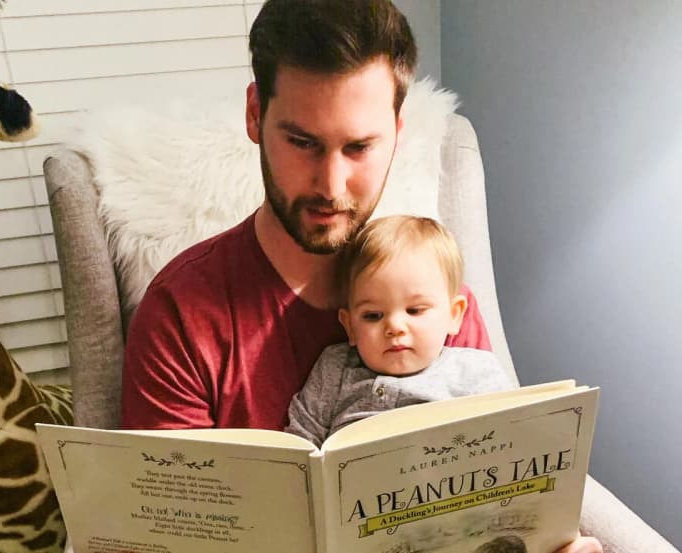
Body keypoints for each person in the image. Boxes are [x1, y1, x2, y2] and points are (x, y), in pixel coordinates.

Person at [120, 3, 601, 551]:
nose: (331, 184)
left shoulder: (436, 301)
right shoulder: (181, 315)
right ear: (255, 115)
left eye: (359, 147)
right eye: (302, 143)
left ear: (396, 132)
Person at [285, 216, 513, 447]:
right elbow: (301, 440)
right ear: (350, 326)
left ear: (454, 315)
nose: (394, 327)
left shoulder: (476, 373)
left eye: (414, 310)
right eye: (372, 316)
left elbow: (514, 435)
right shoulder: (335, 368)